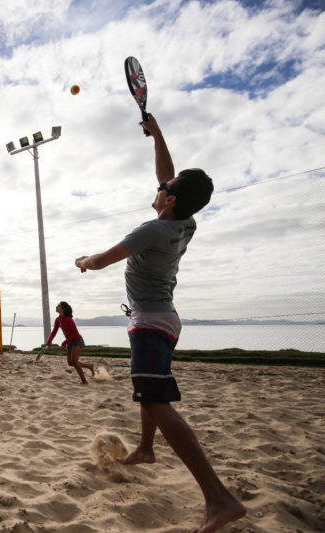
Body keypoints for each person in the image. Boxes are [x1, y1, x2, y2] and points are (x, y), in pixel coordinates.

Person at [74, 114, 245, 533]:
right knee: (148, 393)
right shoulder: (184, 220)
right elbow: (167, 176)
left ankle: (219, 499)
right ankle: (146, 449)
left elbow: (98, 262)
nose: (159, 187)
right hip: (165, 319)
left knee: (154, 400)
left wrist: (82, 260)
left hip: (151, 322)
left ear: (168, 200)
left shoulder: (151, 230)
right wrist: (158, 134)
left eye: (163, 190)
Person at [44, 301, 94, 384]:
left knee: (74, 361)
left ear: (63, 309)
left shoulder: (69, 320)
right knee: (70, 363)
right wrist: (48, 342)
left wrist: (64, 343)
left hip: (77, 340)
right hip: (69, 342)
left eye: (58, 306)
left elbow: (75, 334)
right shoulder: (57, 320)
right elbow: (54, 332)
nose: (56, 307)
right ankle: (89, 366)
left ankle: (84, 381)